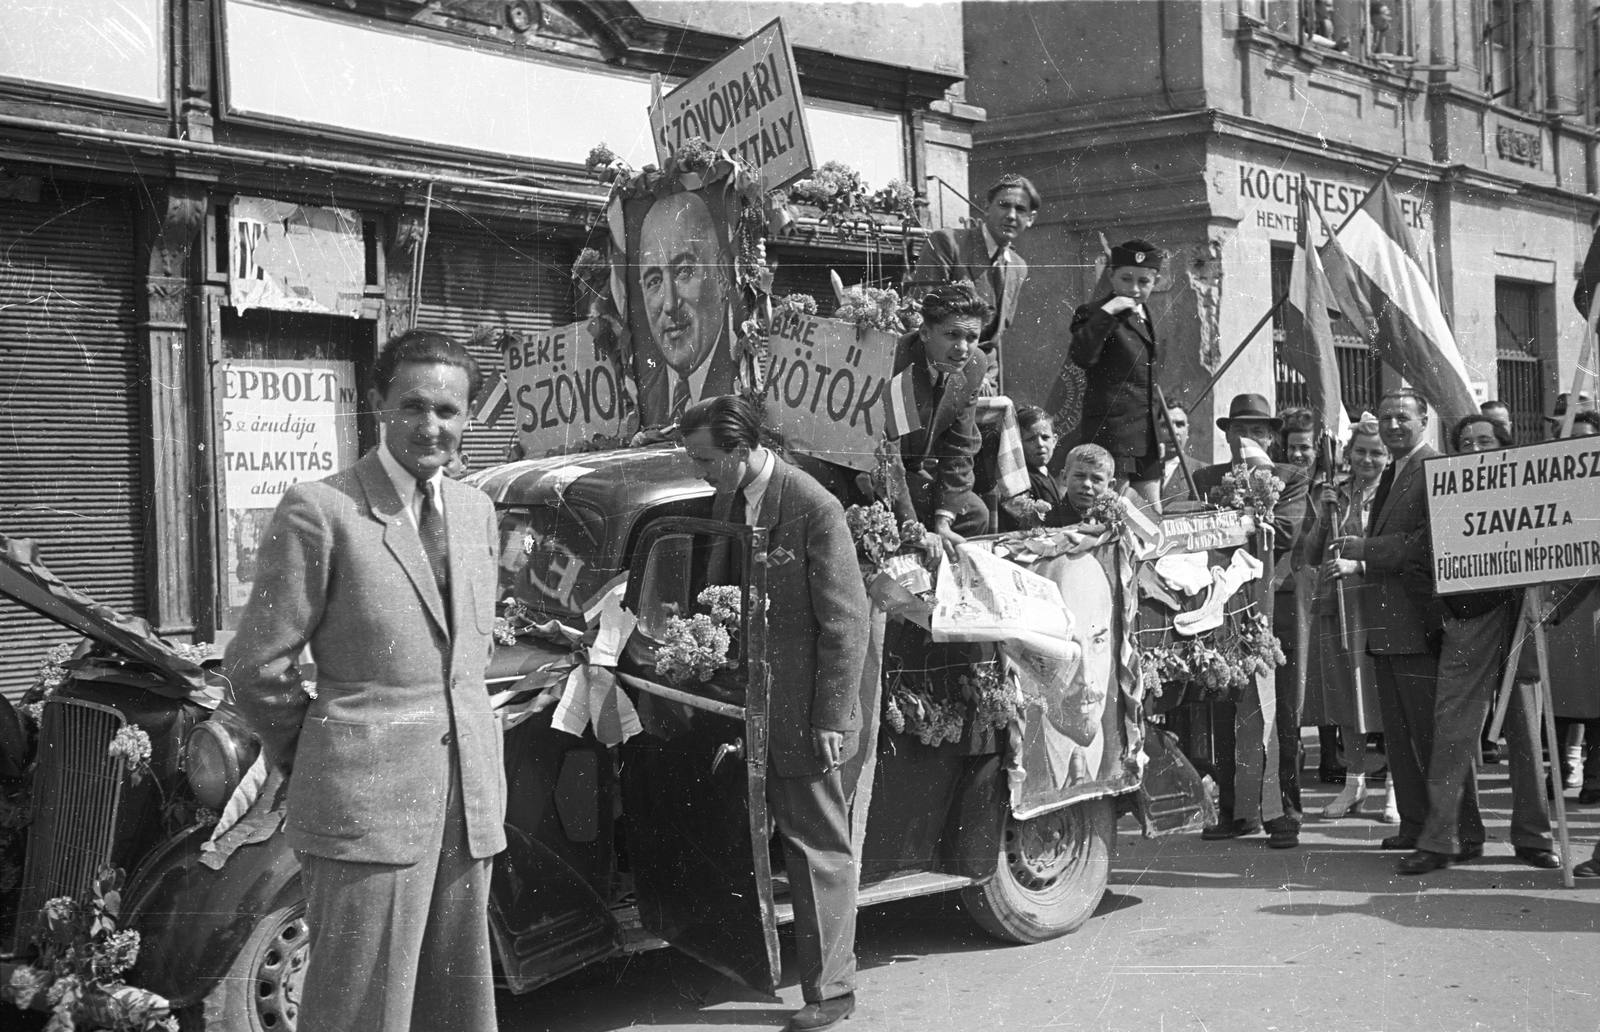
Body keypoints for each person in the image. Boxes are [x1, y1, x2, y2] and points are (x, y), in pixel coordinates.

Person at [223, 329, 505, 1032]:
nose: (431, 425)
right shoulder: (322, 509)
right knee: (359, 1013)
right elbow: (257, 666)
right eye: (414, 406)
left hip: (467, 803)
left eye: (449, 410)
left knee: (457, 1008)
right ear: (378, 404)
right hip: (364, 804)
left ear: (469, 416)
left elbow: (462, 657)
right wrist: (320, 748)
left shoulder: (477, 512)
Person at [679, 396, 870, 1032]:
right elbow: (720, 588)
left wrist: (829, 719)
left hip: (805, 713)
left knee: (818, 851)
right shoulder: (729, 495)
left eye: (706, 458)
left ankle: (833, 993)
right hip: (749, 706)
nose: (700, 470)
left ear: (741, 449)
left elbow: (847, 624)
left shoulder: (813, 505)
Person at [1389, 415, 1559, 872]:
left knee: (1526, 729)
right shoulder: (1445, 496)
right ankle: (1445, 838)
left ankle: (1534, 837)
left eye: (1484, 440)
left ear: (1504, 446)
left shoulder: (1531, 491)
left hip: (1521, 616)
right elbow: (1417, 561)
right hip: (1468, 621)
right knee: (1452, 732)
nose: (1474, 447)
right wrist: (1440, 619)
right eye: (1465, 442)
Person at [1189, 393, 1311, 848]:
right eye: (1240, 430)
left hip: (1274, 608)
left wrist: (1241, 503)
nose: (1249, 438)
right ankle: (1236, 812)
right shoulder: (1205, 477)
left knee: (1279, 714)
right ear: (1226, 433)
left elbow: (1283, 533)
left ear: (1272, 436)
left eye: (1259, 430)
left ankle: (1284, 816)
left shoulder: (1291, 478)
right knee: (1226, 712)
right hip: (1223, 607)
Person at [1327, 388, 1442, 854]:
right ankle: (1415, 826)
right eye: (1387, 417)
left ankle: (1449, 830)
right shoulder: (1395, 470)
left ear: (1424, 420)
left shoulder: (1431, 468)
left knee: (1429, 737)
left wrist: (1363, 552)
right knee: (1399, 737)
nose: (1394, 425)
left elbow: (1423, 544)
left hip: (1416, 624)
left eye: (1403, 418)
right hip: (1387, 626)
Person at [1306, 415, 1391, 819]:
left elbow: (1403, 551)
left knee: (1385, 699)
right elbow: (1308, 554)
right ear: (1348, 452)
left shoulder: (1393, 494)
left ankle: (1395, 787)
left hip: (1380, 606)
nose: (1367, 459)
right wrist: (1323, 517)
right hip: (1337, 606)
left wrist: (1358, 567)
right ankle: (1354, 783)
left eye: (1377, 452)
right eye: (1360, 451)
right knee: (1346, 699)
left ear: (1389, 457)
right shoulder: (1332, 494)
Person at [908, 174, 1038, 393]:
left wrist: (985, 377)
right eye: (1003, 205)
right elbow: (925, 317)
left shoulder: (1017, 267)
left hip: (987, 382)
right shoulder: (948, 243)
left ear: (1031, 218)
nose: (1011, 216)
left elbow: (993, 339)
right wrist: (972, 373)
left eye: (1021, 209)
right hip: (937, 377)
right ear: (986, 208)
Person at [889, 282, 992, 546]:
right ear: (924, 332)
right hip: (875, 472)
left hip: (913, 470)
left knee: (975, 514)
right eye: (951, 335)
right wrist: (913, 528)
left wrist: (943, 522)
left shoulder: (975, 363)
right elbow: (888, 459)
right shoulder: (897, 362)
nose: (963, 348)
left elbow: (960, 445)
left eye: (971, 337)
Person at [1068, 241, 1165, 512]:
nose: (1134, 289)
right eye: (1125, 278)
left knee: (1151, 513)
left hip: (1146, 437)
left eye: (1143, 281)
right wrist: (1109, 311)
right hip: (1113, 435)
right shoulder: (1093, 313)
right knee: (1113, 513)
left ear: (1155, 281)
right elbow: (1082, 356)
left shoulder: (1146, 314)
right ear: (1110, 275)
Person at [638, 190, 735, 422]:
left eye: (684, 271)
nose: (670, 304)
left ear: (721, 274)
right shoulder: (644, 394)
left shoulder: (740, 381)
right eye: (654, 281)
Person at [999, 406, 1065, 531]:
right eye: (1030, 439)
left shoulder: (1045, 474)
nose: (1040, 444)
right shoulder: (1021, 482)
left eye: (1045, 437)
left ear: (1055, 440)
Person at [1159, 401, 1199, 508]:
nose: (1173, 431)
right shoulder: (1141, 471)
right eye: (1165, 425)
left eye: (1180, 424)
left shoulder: (1201, 473)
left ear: (1187, 431)